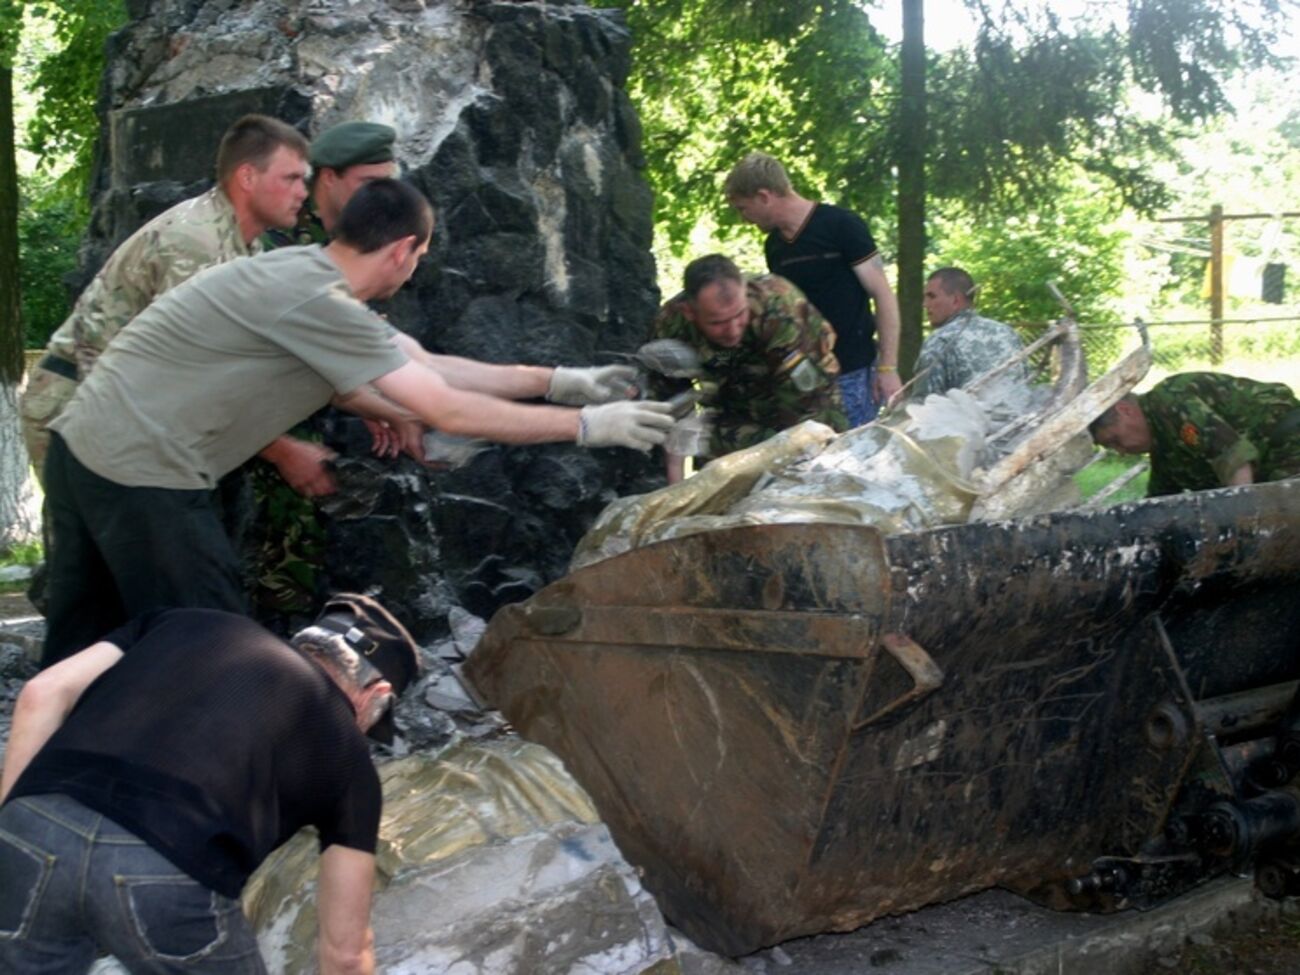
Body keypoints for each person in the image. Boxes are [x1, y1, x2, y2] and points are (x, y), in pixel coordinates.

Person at [40, 178, 674, 664]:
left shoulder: (301, 273)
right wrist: (590, 425)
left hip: (79, 447)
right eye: (421, 254)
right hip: (144, 473)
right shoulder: (324, 304)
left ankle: (50, 783)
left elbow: (427, 366)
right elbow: (443, 405)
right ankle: (198, 800)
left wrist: (563, 382)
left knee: (82, 638)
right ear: (403, 250)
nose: (417, 264)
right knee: (206, 647)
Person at [0, 593, 420, 974]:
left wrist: (11, 824)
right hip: (167, 864)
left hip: (32, 821)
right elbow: (346, 954)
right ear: (374, 694)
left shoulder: (182, 619)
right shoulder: (350, 758)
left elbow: (41, 693)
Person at [18, 114, 338, 495]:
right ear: (248, 178)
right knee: (109, 553)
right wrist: (284, 451)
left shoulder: (243, 241)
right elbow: (188, 379)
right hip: (79, 410)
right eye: (291, 178)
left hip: (123, 417)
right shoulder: (196, 243)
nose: (303, 192)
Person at [724, 151, 902, 425]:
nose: (744, 219)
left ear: (764, 196)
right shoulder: (774, 246)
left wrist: (888, 367)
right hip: (803, 379)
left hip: (852, 372)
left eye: (743, 208)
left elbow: (883, 295)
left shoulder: (841, 225)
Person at [653, 254, 846, 483]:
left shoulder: (780, 310)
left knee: (810, 478)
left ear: (745, 292)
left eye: (740, 314)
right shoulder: (671, 326)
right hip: (731, 404)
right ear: (689, 312)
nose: (733, 330)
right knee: (721, 482)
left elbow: (804, 413)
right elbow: (675, 407)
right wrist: (675, 485)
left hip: (804, 403)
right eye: (717, 323)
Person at [1089, 372, 1300, 497]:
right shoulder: (1162, 445)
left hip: (1288, 439)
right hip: (1266, 462)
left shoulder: (1169, 402)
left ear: (1125, 410)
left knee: (1286, 513)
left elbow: (1235, 460)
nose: (1121, 452)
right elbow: (1160, 502)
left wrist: (1240, 527)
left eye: (1115, 440)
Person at [263, 120, 399, 248]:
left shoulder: (384, 222)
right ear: (329, 177)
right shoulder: (281, 225)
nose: (381, 193)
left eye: (386, 181)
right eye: (369, 182)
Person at [913, 267, 1028, 396]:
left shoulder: (940, 341)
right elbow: (1024, 383)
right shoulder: (1006, 333)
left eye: (931, 296)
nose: (925, 304)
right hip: (1019, 414)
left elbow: (925, 404)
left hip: (966, 415)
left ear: (955, 300)